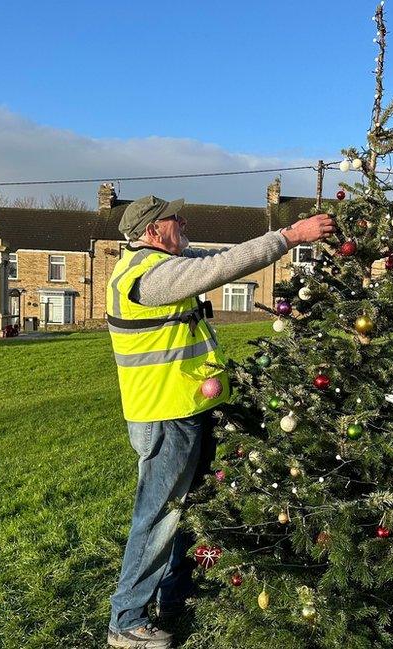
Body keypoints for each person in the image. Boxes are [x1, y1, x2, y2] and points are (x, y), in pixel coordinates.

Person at [105, 195, 334, 649]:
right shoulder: (149, 276)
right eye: (175, 218)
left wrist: (279, 242)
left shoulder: (159, 259)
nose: (184, 221)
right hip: (165, 414)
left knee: (184, 508)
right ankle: (126, 620)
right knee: (158, 516)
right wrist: (291, 236)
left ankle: (174, 594)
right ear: (153, 231)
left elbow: (220, 257)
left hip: (185, 406)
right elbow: (220, 269)